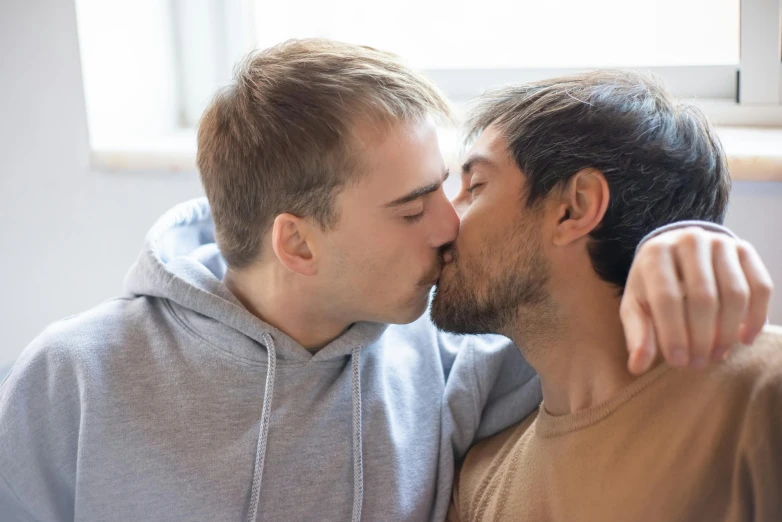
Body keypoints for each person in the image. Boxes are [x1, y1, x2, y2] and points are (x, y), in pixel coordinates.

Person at [0, 41, 772, 522]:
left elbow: (585, 315)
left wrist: (686, 235)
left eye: (457, 185)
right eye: (414, 207)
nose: (449, 226)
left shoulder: (452, 370)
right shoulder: (72, 378)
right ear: (296, 244)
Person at [442, 70, 779, 522]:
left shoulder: (761, 396)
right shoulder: (479, 483)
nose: (445, 223)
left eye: (476, 186)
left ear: (574, 208)